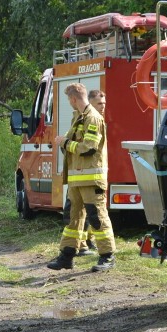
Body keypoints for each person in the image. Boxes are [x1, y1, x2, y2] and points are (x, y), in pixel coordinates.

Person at [47, 84, 116, 272]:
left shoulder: (92, 118)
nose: (69, 103)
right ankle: (66, 256)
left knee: (97, 217)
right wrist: (65, 143)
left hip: (91, 179)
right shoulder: (79, 117)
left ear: (73, 99)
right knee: (73, 218)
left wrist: (66, 143)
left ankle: (107, 256)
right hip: (77, 179)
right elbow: (73, 144)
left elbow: (89, 147)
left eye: (69, 100)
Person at [77, 90, 106, 256]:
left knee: (92, 213)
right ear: (90, 104)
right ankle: (84, 244)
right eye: (99, 104)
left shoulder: (98, 119)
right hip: (86, 176)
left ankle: (87, 241)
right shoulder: (91, 120)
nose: (102, 107)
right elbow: (87, 148)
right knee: (86, 213)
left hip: (93, 176)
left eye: (104, 104)